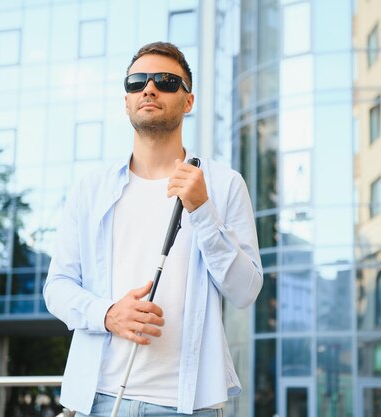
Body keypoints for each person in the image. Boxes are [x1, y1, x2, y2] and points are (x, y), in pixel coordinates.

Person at [43, 42, 263, 417]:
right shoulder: (90, 188)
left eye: (165, 81)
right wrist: (108, 313)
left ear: (188, 101)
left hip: (189, 406)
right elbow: (57, 286)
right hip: (99, 399)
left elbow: (245, 290)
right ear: (127, 101)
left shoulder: (224, 184)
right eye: (137, 82)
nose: (149, 89)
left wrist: (203, 211)